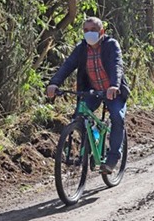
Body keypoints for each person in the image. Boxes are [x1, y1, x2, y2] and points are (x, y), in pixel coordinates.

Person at [46, 16, 130, 173]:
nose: (89, 33)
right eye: (85, 30)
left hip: (113, 91)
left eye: (93, 30)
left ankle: (112, 159)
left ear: (102, 32)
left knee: (117, 118)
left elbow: (116, 65)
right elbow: (68, 65)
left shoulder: (111, 45)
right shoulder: (81, 48)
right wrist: (54, 83)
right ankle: (92, 144)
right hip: (93, 91)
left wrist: (114, 85)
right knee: (79, 117)